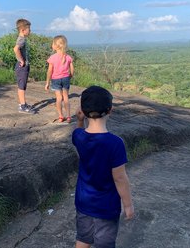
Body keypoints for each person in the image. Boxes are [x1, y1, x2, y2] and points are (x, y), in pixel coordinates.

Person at [72, 86, 134, 248]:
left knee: (83, 239)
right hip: (106, 208)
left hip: (84, 203)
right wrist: (128, 204)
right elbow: (120, 178)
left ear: (83, 111)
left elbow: (79, 133)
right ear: (110, 110)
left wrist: (79, 121)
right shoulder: (115, 143)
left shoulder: (78, 136)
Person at [45, 35, 75, 123]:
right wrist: (70, 76)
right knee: (66, 97)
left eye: (52, 44)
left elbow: (49, 71)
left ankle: (61, 116)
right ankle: (69, 116)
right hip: (65, 78)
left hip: (56, 79)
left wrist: (47, 82)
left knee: (58, 98)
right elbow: (72, 69)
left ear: (56, 46)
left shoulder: (52, 57)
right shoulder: (68, 57)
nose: (52, 45)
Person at [13, 18, 33, 113]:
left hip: (22, 66)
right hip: (22, 67)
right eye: (29, 29)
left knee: (22, 85)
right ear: (23, 30)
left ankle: (22, 103)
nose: (30, 31)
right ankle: (22, 106)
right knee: (21, 86)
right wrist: (21, 60)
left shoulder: (22, 39)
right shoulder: (22, 40)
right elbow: (16, 49)